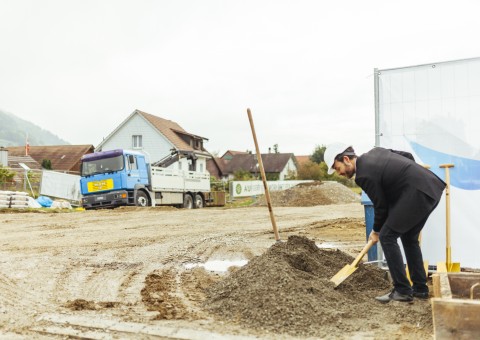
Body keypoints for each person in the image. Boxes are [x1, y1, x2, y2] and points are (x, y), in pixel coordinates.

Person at [324, 143, 446, 303]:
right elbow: (407, 156)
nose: (338, 173)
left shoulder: (363, 175)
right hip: (430, 188)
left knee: (387, 237)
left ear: (346, 159)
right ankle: (420, 289)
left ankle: (402, 290)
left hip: (418, 193)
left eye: (336, 167)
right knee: (409, 238)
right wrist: (409, 178)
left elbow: (380, 207)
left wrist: (376, 231)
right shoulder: (376, 152)